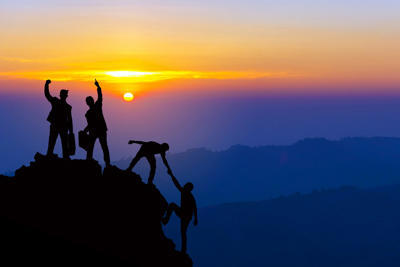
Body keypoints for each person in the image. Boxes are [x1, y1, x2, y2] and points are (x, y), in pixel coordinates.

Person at [163, 171, 198, 253]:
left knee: (183, 232)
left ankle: (184, 250)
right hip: (184, 213)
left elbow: (194, 207)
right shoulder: (184, 192)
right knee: (183, 232)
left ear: (189, 188)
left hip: (186, 216)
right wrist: (171, 175)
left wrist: (195, 218)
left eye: (186, 186)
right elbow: (176, 183)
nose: (184, 186)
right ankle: (165, 220)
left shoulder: (190, 196)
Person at [83, 79, 110, 166]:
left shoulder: (95, 107)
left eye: (89, 101)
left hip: (99, 131)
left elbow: (100, 96)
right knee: (95, 147)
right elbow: (90, 124)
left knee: (98, 147)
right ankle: (91, 160)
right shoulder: (90, 111)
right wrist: (85, 130)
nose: (89, 102)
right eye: (88, 101)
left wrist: (98, 87)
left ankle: (106, 163)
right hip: (97, 131)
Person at [44, 79, 73, 159]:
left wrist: (71, 132)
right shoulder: (59, 103)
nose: (65, 96)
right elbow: (47, 95)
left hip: (60, 127)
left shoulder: (66, 106)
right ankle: (54, 156)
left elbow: (70, 120)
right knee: (54, 143)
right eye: (65, 94)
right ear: (64, 95)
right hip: (58, 126)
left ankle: (59, 157)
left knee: (58, 143)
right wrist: (46, 85)